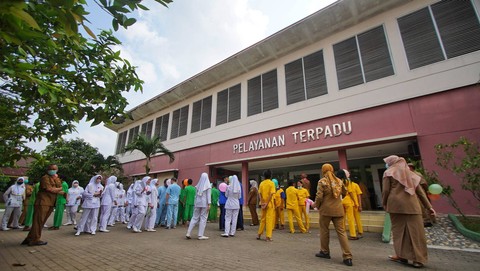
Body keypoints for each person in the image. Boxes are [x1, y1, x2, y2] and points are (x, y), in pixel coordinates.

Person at [383, 155, 435, 269]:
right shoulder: (411, 174)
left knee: (399, 232)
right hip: (412, 206)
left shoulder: (388, 172)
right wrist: (429, 207)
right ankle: (418, 260)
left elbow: (386, 190)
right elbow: (420, 192)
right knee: (416, 233)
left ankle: (401, 256)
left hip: (395, 206)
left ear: (391, 163)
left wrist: (384, 203)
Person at [315, 163, 352, 267]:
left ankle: (325, 252)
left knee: (324, 230)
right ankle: (347, 257)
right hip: (339, 210)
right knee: (342, 233)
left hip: (325, 210)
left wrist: (316, 205)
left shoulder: (322, 181)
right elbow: (345, 192)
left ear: (323, 170)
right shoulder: (339, 181)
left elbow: (319, 196)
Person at [22, 164, 64, 246]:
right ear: (47, 170)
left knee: (40, 222)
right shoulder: (45, 178)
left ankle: (30, 238)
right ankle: (35, 239)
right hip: (42, 202)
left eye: (54, 169)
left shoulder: (55, 178)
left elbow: (60, 187)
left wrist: (56, 181)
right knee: (38, 221)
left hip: (50, 203)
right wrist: (58, 189)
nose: (53, 170)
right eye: (51, 169)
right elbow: (49, 189)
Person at [185, 173, 212, 240]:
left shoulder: (197, 186)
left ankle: (188, 232)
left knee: (194, 217)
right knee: (203, 218)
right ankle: (200, 235)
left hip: (197, 203)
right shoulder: (208, 186)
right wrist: (209, 204)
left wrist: (195, 203)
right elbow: (208, 196)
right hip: (204, 204)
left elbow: (195, 196)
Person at [408, 163, 435, 227]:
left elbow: (424, 183)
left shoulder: (417, 174)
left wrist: (427, 190)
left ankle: (427, 220)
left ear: (411, 167)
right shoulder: (409, 175)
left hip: (419, 192)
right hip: (415, 193)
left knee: (422, 206)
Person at [338, 169, 361, 240]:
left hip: (341, 201)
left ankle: (342, 233)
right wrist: (355, 201)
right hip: (348, 201)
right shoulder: (347, 181)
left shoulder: (337, 181)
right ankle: (353, 234)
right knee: (350, 218)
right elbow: (350, 192)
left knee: (342, 218)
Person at [256, 169, 276, 242]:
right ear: (270, 176)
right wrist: (267, 203)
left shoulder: (261, 183)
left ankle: (259, 234)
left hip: (263, 203)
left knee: (263, 219)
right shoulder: (271, 183)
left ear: (264, 176)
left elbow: (259, 194)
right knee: (269, 220)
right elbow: (271, 194)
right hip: (269, 204)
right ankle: (268, 236)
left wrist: (262, 202)